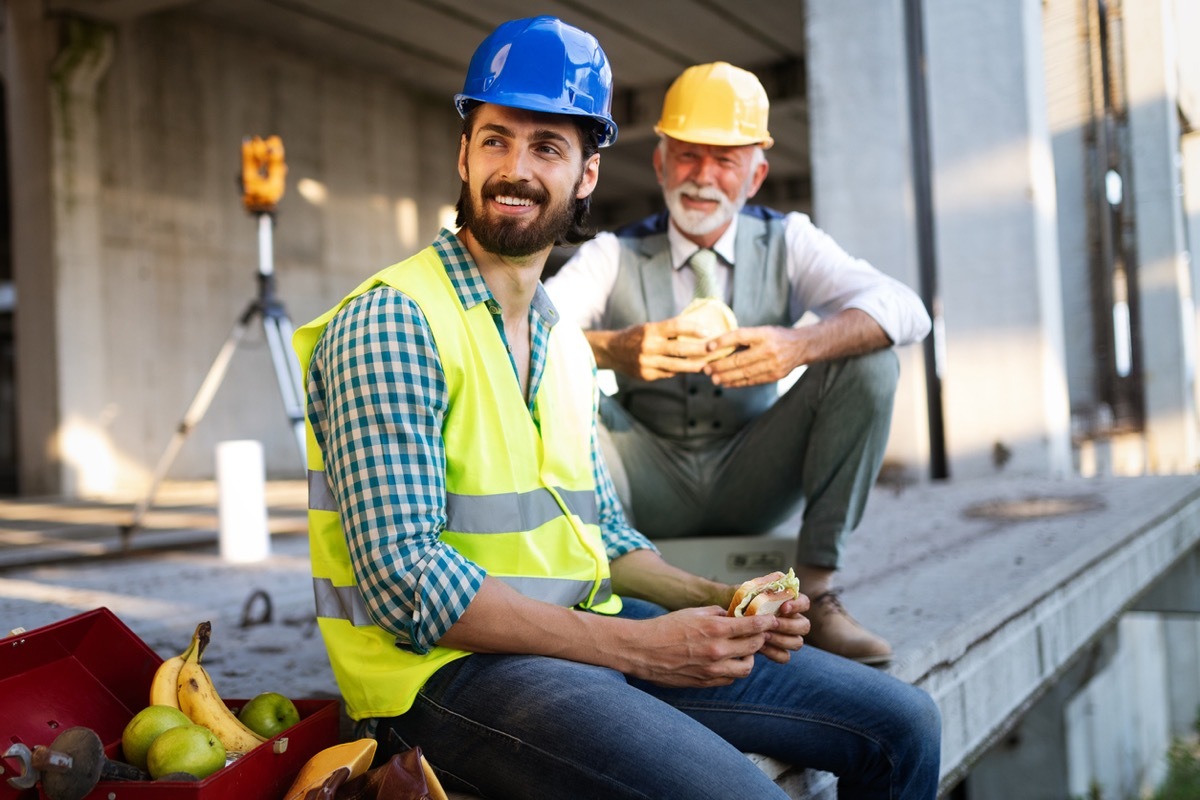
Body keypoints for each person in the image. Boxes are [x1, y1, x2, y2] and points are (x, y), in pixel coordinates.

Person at [294, 17, 940, 800]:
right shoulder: (395, 320)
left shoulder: (562, 339)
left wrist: (718, 603)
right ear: (463, 155)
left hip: (578, 632)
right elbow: (406, 582)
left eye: (547, 147)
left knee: (905, 727)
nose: (515, 170)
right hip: (441, 679)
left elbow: (603, 533)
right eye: (496, 140)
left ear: (588, 174)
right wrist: (637, 649)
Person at [545, 61, 933, 665]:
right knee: (554, 375)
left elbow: (907, 309)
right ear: (660, 162)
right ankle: (594, 593)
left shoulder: (789, 240)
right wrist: (613, 348)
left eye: (725, 160)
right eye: (689, 156)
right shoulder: (613, 254)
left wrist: (798, 345)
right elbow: (525, 332)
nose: (704, 177)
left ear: (756, 175)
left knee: (869, 359)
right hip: (639, 476)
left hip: (754, 470)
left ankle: (819, 594)